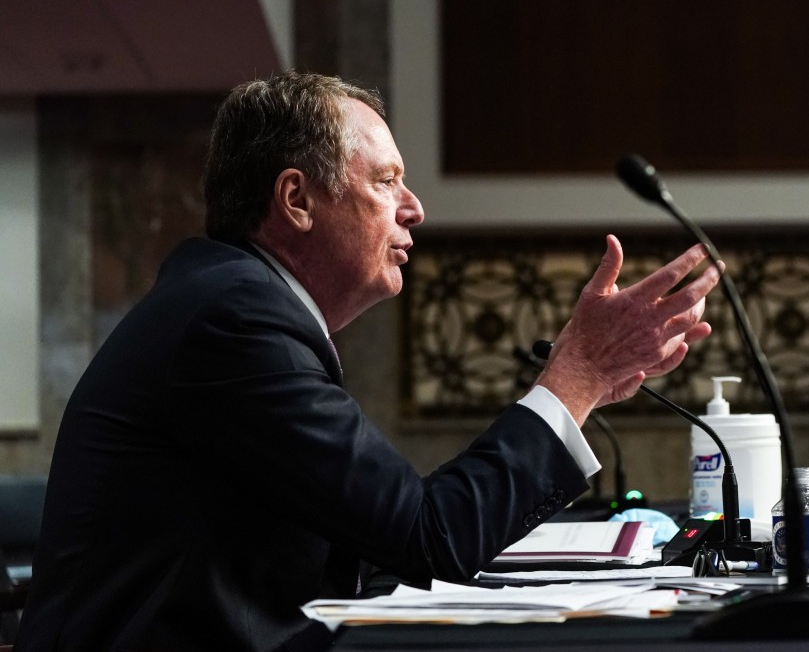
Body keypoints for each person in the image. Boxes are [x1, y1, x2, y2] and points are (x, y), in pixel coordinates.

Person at [15, 72, 721, 652]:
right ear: (296, 199)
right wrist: (575, 379)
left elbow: (375, 531)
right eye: (386, 181)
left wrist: (577, 391)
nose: (414, 208)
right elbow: (427, 535)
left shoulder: (230, 300)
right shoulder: (235, 322)